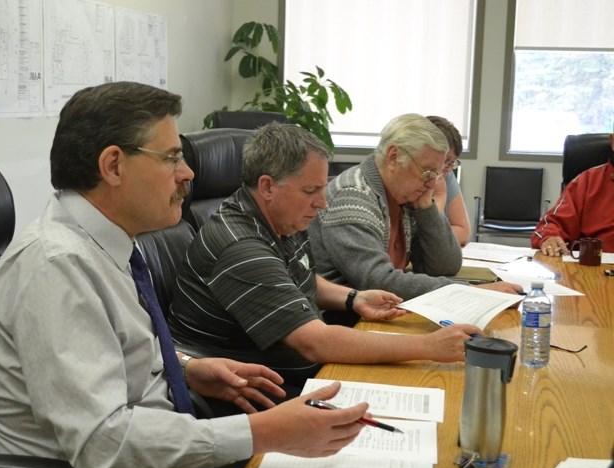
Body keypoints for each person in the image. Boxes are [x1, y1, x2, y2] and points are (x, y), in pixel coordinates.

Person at [0, 82, 372, 468]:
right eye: (171, 157)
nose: (188, 174)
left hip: (149, 464)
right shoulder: (56, 267)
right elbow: (99, 442)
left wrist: (183, 368)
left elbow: (108, 357)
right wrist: (265, 432)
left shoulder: (108, 243)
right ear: (113, 165)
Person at [168, 121, 482, 391]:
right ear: (267, 186)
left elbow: (291, 279)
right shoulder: (240, 247)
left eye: (322, 188)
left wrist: (352, 298)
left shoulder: (279, 218)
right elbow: (313, 342)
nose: (322, 202)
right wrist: (430, 346)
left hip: (302, 368)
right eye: (310, 191)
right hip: (260, 385)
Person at [307, 113, 521, 301]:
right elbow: (378, 280)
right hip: (342, 320)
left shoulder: (406, 196)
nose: (432, 183)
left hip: (381, 310)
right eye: (428, 172)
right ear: (393, 157)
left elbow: (445, 266)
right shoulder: (353, 195)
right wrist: (472, 293)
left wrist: (426, 207)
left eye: (437, 174)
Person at [532, 133, 614, 255]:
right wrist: (549, 238)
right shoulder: (586, 182)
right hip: (594, 267)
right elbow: (553, 223)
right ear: (613, 142)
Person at [427, 115, 471, 246]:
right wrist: (439, 197)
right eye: (446, 161)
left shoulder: (446, 175)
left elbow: (463, 232)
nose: (448, 169)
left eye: (451, 162)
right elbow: (426, 238)